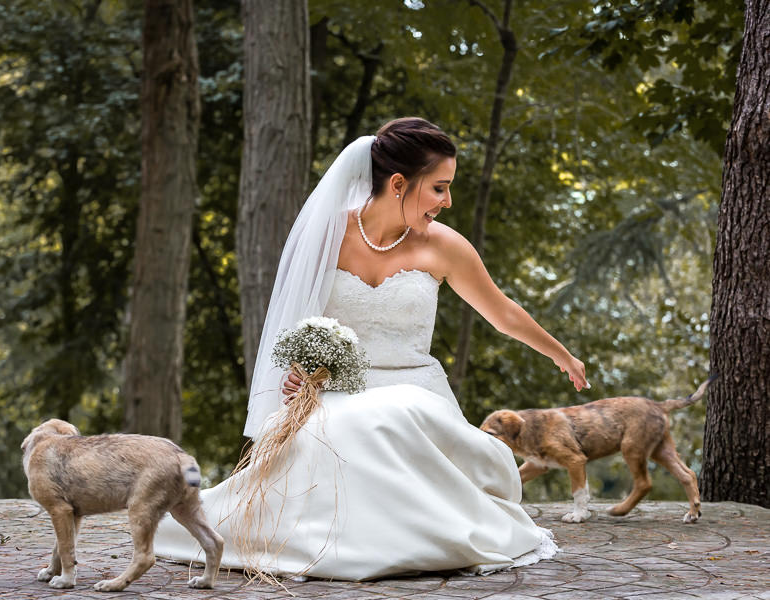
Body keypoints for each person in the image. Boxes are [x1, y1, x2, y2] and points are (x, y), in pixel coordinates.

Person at [154, 117, 588, 580]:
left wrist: (560, 353)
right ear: (398, 183)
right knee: (342, 429)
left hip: (416, 388)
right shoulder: (326, 235)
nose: (448, 201)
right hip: (338, 392)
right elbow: (297, 321)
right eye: (439, 188)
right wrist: (300, 371)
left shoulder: (444, 247)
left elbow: (502, 312)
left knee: (394, 417)